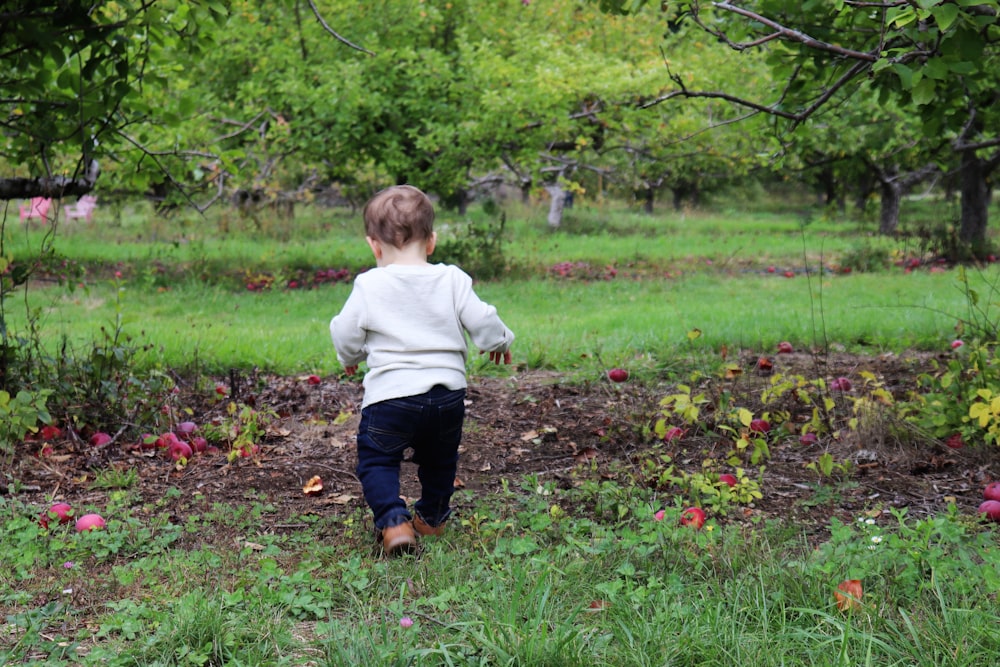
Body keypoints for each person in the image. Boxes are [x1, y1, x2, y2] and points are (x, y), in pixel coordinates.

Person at [331, 185, 514, 555]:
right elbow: (483, 318)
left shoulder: (369, 284)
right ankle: (430, 519)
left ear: (374, 246)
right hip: (447, 396)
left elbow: (344, 331)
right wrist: (500, 342)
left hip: (391, 399)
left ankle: (394, 522)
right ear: (431, 242)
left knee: (378, 460)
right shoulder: (452, 279)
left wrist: (349, 355)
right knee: (440, 461)